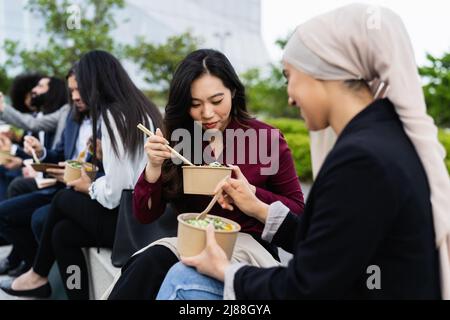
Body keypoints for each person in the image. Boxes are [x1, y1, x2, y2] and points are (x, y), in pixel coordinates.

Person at [157, 4, 449, 300]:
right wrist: (257, 206)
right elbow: (330, 247)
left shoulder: (361, 159)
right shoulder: (384, 138)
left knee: (183, 278)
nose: (290, 97)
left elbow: (305, 287)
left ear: (321, 73)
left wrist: (226, 270)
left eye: (289, 76)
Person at [107, 49, 305, 300]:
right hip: (192, 242)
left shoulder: (266, 139)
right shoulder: (180, 139)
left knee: (181, 274)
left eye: (216, 100)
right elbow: (145, 214)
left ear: (233, 91)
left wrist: (252, 196)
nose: (208, 114)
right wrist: (153, 167)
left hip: (248, 247)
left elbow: (299, 214)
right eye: (195, 104)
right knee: (146, 264)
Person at [0, 50, 163, 300]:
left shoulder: (112, 116)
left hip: (131, 223)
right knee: (62, 233)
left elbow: (114, 192)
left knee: (62, 201)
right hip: (141, 216)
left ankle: (37, 275)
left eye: (81, 87)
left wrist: (89, 186)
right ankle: (66, 291)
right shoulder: (139, 109)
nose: (76, 95)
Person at [0, 67, 90, 278]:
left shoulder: (82, 114)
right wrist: (40, 154)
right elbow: (55, 150)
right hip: (60, 181)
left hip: (71, 186)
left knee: (34, 208)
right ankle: (30, 266)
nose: (34, 91)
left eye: (40, 87)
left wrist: (27, 158)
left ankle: (34, 270)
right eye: (72, 91)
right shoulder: (69, 114)